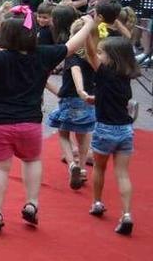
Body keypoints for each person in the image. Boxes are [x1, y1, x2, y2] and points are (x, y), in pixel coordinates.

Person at [0, 10, 96, 233]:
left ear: (5, 37)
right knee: (31, 162)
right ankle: (32, 203)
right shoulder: (43, 54)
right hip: (29, 123)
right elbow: (71, 45)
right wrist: (89, 24)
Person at [85, 36, 139, 235]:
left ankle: (97, 202)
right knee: (123, 174)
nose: (98, 56)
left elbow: (89, 53)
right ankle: (126, 214)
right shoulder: (126, 77)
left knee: (99, 168)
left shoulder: (105, 73)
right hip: (125, 129)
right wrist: (97, 99)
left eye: (102, 53)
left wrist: (88, 29)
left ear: (112, 57)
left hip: (105, 128)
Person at [46, 19, 96, 190]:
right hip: (89, 100)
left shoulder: (72, 56)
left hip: (71, 99)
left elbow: (75, 70)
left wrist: (80, 89)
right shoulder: (93, 56)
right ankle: (82, 168)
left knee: (63, 134)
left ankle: (72, 164)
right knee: (83, 136)